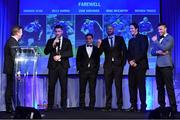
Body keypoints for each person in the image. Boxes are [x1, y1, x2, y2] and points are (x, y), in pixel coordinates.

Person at [97, 25, 127, 111]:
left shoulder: (120, 39)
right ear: (106, 31)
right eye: (108, 29)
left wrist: (123, 64)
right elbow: (99, 53)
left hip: (118, 66)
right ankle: (108, 105)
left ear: (114, 30)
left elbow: (124, 51)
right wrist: (99, 45)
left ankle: (120, 106)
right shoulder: (104, 41)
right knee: (108, 87)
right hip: (108, 67)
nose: (109, 30)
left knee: (118, 86)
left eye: (111, 29)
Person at [44, 25, 73, 110]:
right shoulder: (50, 41)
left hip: (63, 66)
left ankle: (63, 106)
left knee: (63, 86)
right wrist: (53, 45)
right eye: (56, 31)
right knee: (51, 86)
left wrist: (60, 56)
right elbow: (46, 52)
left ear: (62, 31)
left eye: (59, 31)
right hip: (53, 66)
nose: (57, 33)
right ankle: (50, 106)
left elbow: (70, 53)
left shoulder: (67, 41)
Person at [151, 23, 177, 112]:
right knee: (160, 87)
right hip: (158, 66)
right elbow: (152, 52)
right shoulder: (159, 39)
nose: (159, 31)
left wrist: (156, 42)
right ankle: (162, 106)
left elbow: (165, 48)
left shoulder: (170, 38)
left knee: (169, 87)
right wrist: (159, 52)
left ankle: (173, 107)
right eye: (158, 30)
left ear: (165, 29)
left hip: (166, 66)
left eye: (161, 29)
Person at [126, 23, 149, 112]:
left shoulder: (143, 38)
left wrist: (135, 61)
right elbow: (128, 53)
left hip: (141, 65)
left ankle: (143, 106)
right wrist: (130, 61)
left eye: (132, 28)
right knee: (132, 86)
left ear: (137, 29)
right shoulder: (130, 40)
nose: (130, 30)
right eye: (130, 28)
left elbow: (143, 52)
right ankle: (133, 106)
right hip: (132, 66)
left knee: (141, 86)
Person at [76, 33, 100, 110]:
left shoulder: (96, 49)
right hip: (83, 72)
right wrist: (80, 69)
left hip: (93, 72)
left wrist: (96, 70)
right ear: (85, 39)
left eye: (90, 38)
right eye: (87, 38)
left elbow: (97, 60)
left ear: (92, 39)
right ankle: (82, 106)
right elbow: (78, 60)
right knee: (82, 89)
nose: (88, 40)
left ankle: (92, 106)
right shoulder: (80, 48)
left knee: (92, 90)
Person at [3, 26, 23, 113]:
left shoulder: (13, 41)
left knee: (11, 88)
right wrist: (18, 71)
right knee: (10, 89)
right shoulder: (12, 42)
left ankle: (12, 107)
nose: (22, 34)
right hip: (12, 69)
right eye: (21, 32)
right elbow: (15, 57)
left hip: (12, 69)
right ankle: (9, 108)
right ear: (17, 32)